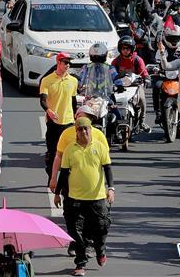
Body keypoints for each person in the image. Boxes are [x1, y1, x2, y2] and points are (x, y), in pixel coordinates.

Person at [54, 117, 114, 276]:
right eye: (80, 129)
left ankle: (100, 249)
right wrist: (57, 193)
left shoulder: (99, 147)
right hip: (75, 198)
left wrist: (111, 189)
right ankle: (80, 263)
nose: (84, 132)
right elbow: (64, 174)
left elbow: (107, 169)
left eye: (86, 129)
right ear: (76, 132)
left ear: (90, 130)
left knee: (101, 227)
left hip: (98, 198)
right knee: (76, 231)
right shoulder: (70, 150)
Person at [40, 53, 77, 179]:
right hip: (53, 121)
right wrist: (49, 111)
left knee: (69, 152)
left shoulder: (73, 81)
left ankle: (67, 181)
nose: (68, 65)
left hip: (68, 121)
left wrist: (76, 118)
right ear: (58, 63)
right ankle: (51, 176)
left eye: (69, 63)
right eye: (65, 62)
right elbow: (42, 100)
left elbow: (73, 101)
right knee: (53, 151)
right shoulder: (46, 80)